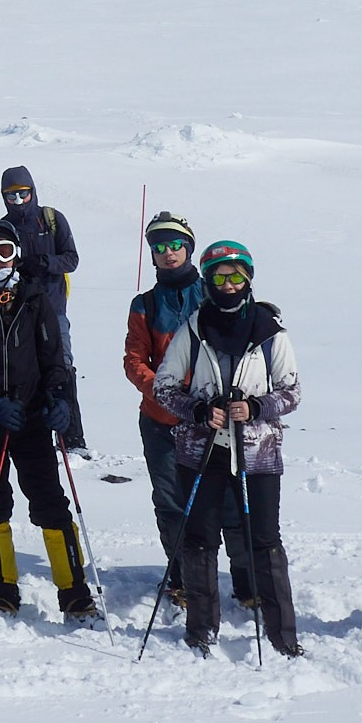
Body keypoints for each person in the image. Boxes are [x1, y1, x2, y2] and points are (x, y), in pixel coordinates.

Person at [0, 220, 96, 621]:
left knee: (50, 504)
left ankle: (75, 592)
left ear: (16, 255)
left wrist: (58, 400)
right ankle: (2, 590)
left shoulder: (35, 299)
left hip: (31, 420)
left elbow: (54, 361)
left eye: (3, 251)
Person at [154, 240, 303, 657]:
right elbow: (163, 387)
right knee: (200, 537)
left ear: (249, 278)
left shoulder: (270, 330)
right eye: (219, 276)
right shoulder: (195, 328)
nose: (229, 284)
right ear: (208, 280)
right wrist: (198, 410)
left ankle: (282, 634)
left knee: (264, 538)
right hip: (203, 451)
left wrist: (256, 406)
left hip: (257, 451)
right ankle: (201, 628)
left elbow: (292, 392)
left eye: (237, 275)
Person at [123, 211, 255, 611]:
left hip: (214, 422)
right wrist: (166, 394)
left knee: (232, 501)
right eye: (159, 247)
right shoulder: (144, 304)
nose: (168, 253)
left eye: (175, 244)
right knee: (171, 502)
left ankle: (247, 583)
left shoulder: (214, 292)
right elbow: (134, 360)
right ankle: (183, 578)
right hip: (162, 423)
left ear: (189, 248)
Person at [0, 165, 86, 452]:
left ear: (33, 191)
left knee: (62, 365)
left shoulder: (51, 220)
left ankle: (72, 436)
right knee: (26, 369)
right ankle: (33, 431)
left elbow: (71, 259)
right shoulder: (4, 227)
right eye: (11, 196)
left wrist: (45, 263)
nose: (18, 201)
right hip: (20, 311)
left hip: (54, 308)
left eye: (23, 194)